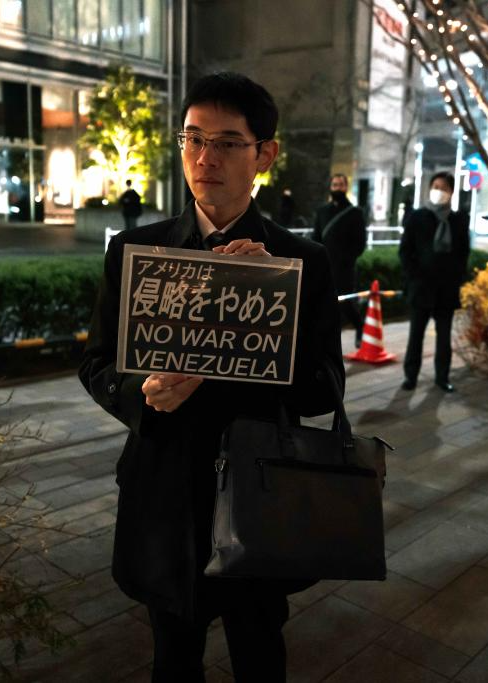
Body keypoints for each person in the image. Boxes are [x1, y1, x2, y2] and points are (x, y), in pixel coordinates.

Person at [79, 72, 344, 682]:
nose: (205, 158)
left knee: (260, 653)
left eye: (227, 143)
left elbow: (326, 387)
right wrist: (142, 394)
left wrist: (270, 305)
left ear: (264, 155)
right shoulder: (137, 252)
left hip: (261, 494)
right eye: (194, 138)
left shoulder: (302, 262)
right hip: (165, 490)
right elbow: (97, 363)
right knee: (172, 655)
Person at [399, 171, 470, 393]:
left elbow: (463, 253)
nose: (439, 191)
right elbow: (405, 250)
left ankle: (442, 377)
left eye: (444, 188)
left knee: (444, 336)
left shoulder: (458, 220)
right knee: (416, 335)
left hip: (446, 289)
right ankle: (410, 376)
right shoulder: (417, 217)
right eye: (436, 187)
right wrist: (413, 275)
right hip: (421, 287)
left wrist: (456, 277)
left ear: (451, 192)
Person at [312, 174, 367, 347]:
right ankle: (327, 341)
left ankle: (360, 327)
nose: (337, 188)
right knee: (324, 303)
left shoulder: (355, 213)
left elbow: (360, 243)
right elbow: (315, 238)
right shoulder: (322, 211)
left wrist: (346, 259)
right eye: (334, 185)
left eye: (341, 185)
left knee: (346, 304)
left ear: (346, 187)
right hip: (324, 266)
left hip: (345, 268)